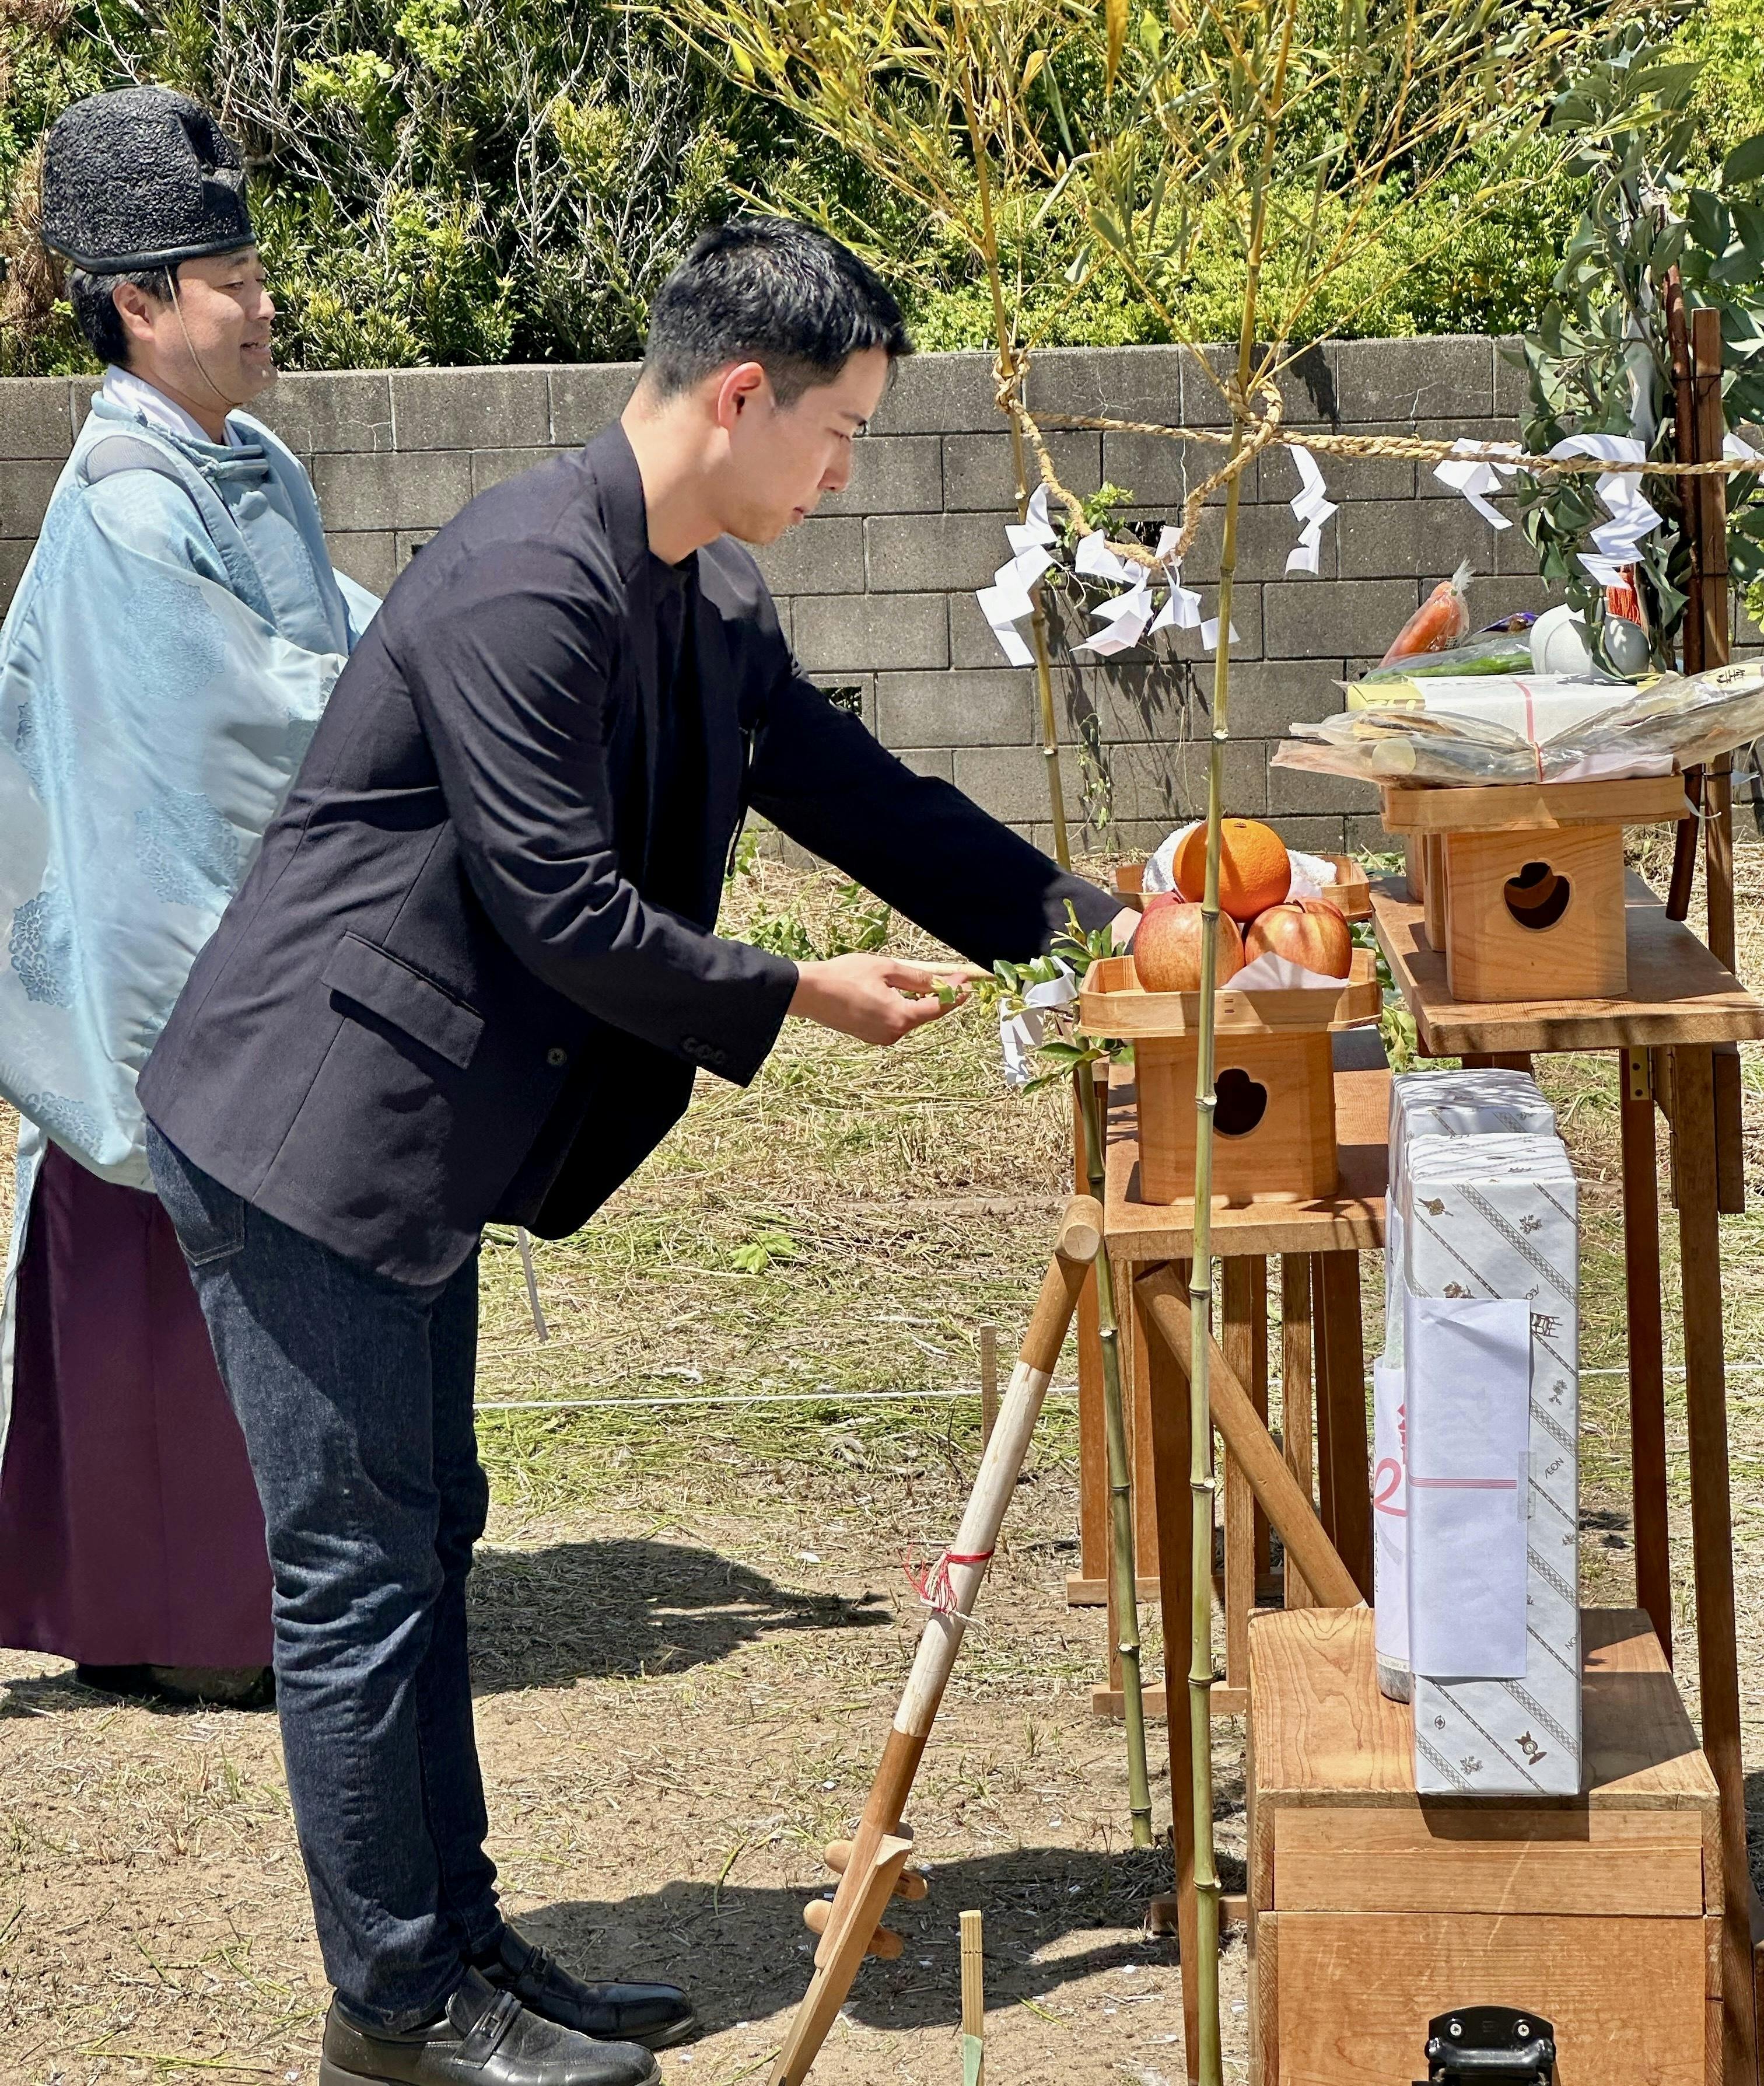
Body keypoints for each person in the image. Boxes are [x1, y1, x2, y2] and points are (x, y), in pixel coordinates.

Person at [141, 218, 1133, 2086]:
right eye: (841, 431)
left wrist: (1100, 931)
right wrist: (797, 994)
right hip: (305, 1133)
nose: (846, 474)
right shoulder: (523, 578)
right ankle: (398, 2011)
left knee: (425, 1542)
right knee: (361, 1575)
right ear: (744, 396)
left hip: (406, 1137)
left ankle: (462, 1948)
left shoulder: (704, 596)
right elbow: (561, 910)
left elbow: (866, 798)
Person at [0, 88, 382, 1708]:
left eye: (257, 271)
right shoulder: (130, 501)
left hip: (238, 943)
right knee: (172, 1290)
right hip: (170, 967)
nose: (264, 304)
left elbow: (339, 638)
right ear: (140, 306)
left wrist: (433, 658)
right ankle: (196, 1617)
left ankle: (179, 1603)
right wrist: (417, 713)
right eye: (232, 281)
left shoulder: (243, 459)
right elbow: (254, 723)